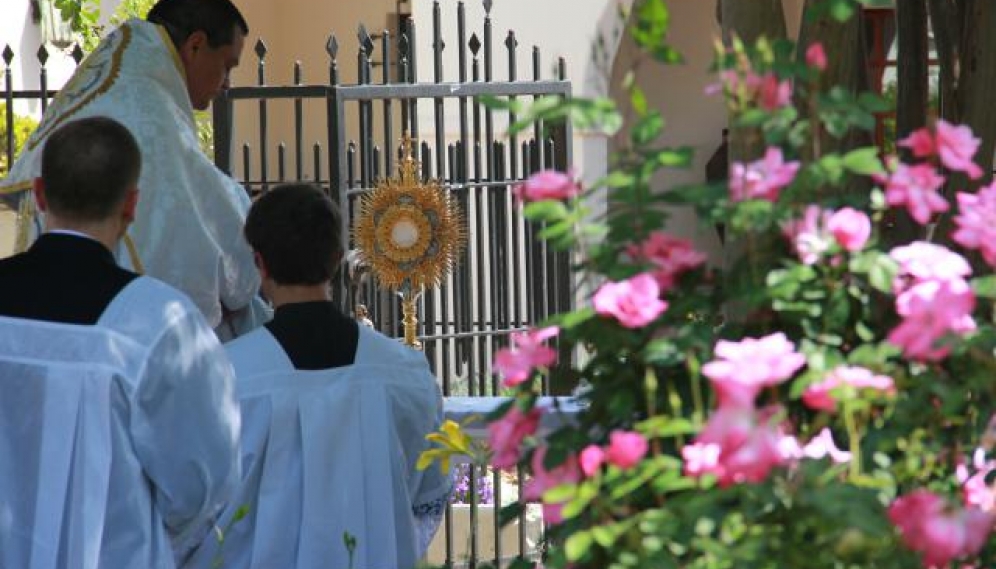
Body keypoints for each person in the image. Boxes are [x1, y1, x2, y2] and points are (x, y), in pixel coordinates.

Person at [0, 116, 241, 568]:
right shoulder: (157, 322)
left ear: (38, 193)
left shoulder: (157, 320)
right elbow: (202, 480)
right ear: (132, 205)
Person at [183, 183, 452, 569]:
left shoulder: (225, 374)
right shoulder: (404, 373)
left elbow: (192, 505)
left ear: (259, 264)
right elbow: (425, 496)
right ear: (338, 258)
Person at [0, 0, 264, 339]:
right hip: (117, 329)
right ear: (195, 45)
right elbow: (230, 246)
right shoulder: (148, 105)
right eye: (228, 65)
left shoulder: (123, 74)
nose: (227, 82)